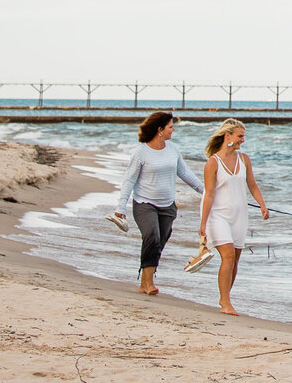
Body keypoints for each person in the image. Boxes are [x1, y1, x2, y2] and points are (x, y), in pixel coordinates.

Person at [109, 110, 203, 296]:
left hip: (168, 205)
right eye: (170, 127)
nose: (173, 130)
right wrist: (121, 207)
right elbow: (129, 180)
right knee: (151, 235)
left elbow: (185, 173)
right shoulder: (141, 152)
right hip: (145, 203)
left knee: (160, 241)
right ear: (160, 129)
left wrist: (206, 192)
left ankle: (146, 278)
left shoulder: (173, 149)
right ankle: (147, 282)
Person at [196, 118, 269, 316]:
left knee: (235, 260)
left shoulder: (244, 159)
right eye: (240, 136)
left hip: (239, 216)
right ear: (227, 136)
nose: (242, 140)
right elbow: (209, 194)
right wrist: (203, 223)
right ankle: (226, 304)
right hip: (218, 216)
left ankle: (224, 297)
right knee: (227, 255)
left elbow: (252, 185)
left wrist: (262, 205)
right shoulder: (213, 163)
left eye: (243, 137)